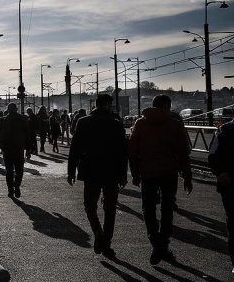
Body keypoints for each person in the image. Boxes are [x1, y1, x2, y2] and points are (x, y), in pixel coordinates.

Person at [128, 94, 193, 265]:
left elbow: (133, 151)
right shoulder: (175, 124)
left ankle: (156, 242)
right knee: (167, 208)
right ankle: (162, 244)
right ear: (166, 106)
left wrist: (134, 173)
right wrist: (187, 176)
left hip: (147, 173)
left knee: (148, 208)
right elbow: (183, 153)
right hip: (168, 173)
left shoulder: (140, 124)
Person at [67, 94, 128, 259]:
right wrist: (123, 174)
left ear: (96, 104)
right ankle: (106, 244)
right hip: (111, 171)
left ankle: (98, 231)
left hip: (91, 170)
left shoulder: (84, 122)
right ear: (109, 105)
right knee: (110, 209)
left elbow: (76, 149)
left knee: (90, 205)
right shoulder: (116, 124)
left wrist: (71, 171)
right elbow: (123, 153)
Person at [208, 118, 234, 273]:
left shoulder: (223, 130)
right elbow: (213, 155)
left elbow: (212, 154)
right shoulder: (223, 131)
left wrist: (220, 172)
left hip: (229, 184)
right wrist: (220, 172)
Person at [0, 103, 30, 198]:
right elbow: (27, 136)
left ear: (8, 110)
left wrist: (1, 143)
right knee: (19, 169)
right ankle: (17, 184)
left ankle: (10, 190)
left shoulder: (2, 120)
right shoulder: (23, 119)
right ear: (16, 109)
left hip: (7, 149)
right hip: (19, 148)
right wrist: (28, 149)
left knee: (9, 170)